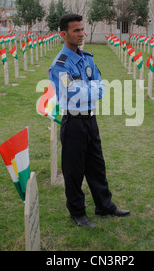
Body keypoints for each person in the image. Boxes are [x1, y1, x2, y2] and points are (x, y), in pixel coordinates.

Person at [48, 13, 130, 228]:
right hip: (73, 123)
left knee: (97, 166)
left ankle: (104, 205)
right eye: (76, 30)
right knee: (74, 171)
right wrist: (90, 88)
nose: (81, 34)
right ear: (63, 34)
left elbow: (102, 87)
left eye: (82, 29)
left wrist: (89, 89)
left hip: (91, 120)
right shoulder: (60, 64)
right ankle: (77, 212)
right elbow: (75, 95)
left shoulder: (88, 58)